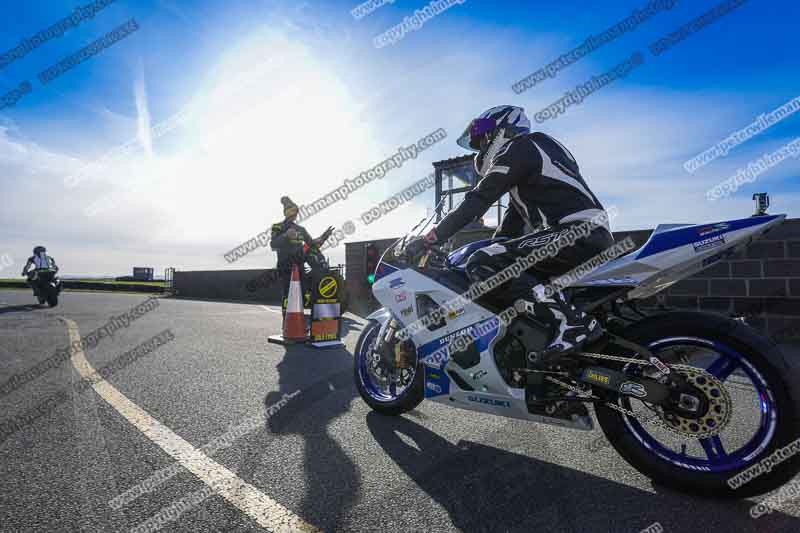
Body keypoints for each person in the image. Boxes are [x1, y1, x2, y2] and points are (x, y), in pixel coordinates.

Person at [407, 105, 614, 367]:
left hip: (576, 232)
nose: (481, 146)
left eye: (484, 136)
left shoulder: (521, 146)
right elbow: (507, 234)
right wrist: (474, 249)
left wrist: (432, 238)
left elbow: (478, 199)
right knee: (493, 258)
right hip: (582, 235)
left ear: (503, 128)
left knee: (484, 261)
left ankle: (570, 324)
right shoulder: (528, 177)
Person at [270, 197, 333, 312]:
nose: (293, 214)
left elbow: (312, 245)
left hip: (299, 266)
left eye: (295, 211)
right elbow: (273, 245)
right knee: (287, 295)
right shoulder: (277, 226)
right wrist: (285, 236)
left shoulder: (301, 229)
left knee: (303, 295)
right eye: (291, 211)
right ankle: (286, 317)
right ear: (285, 212)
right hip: (285, 267)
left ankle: (303, 315)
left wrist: (324, 237)